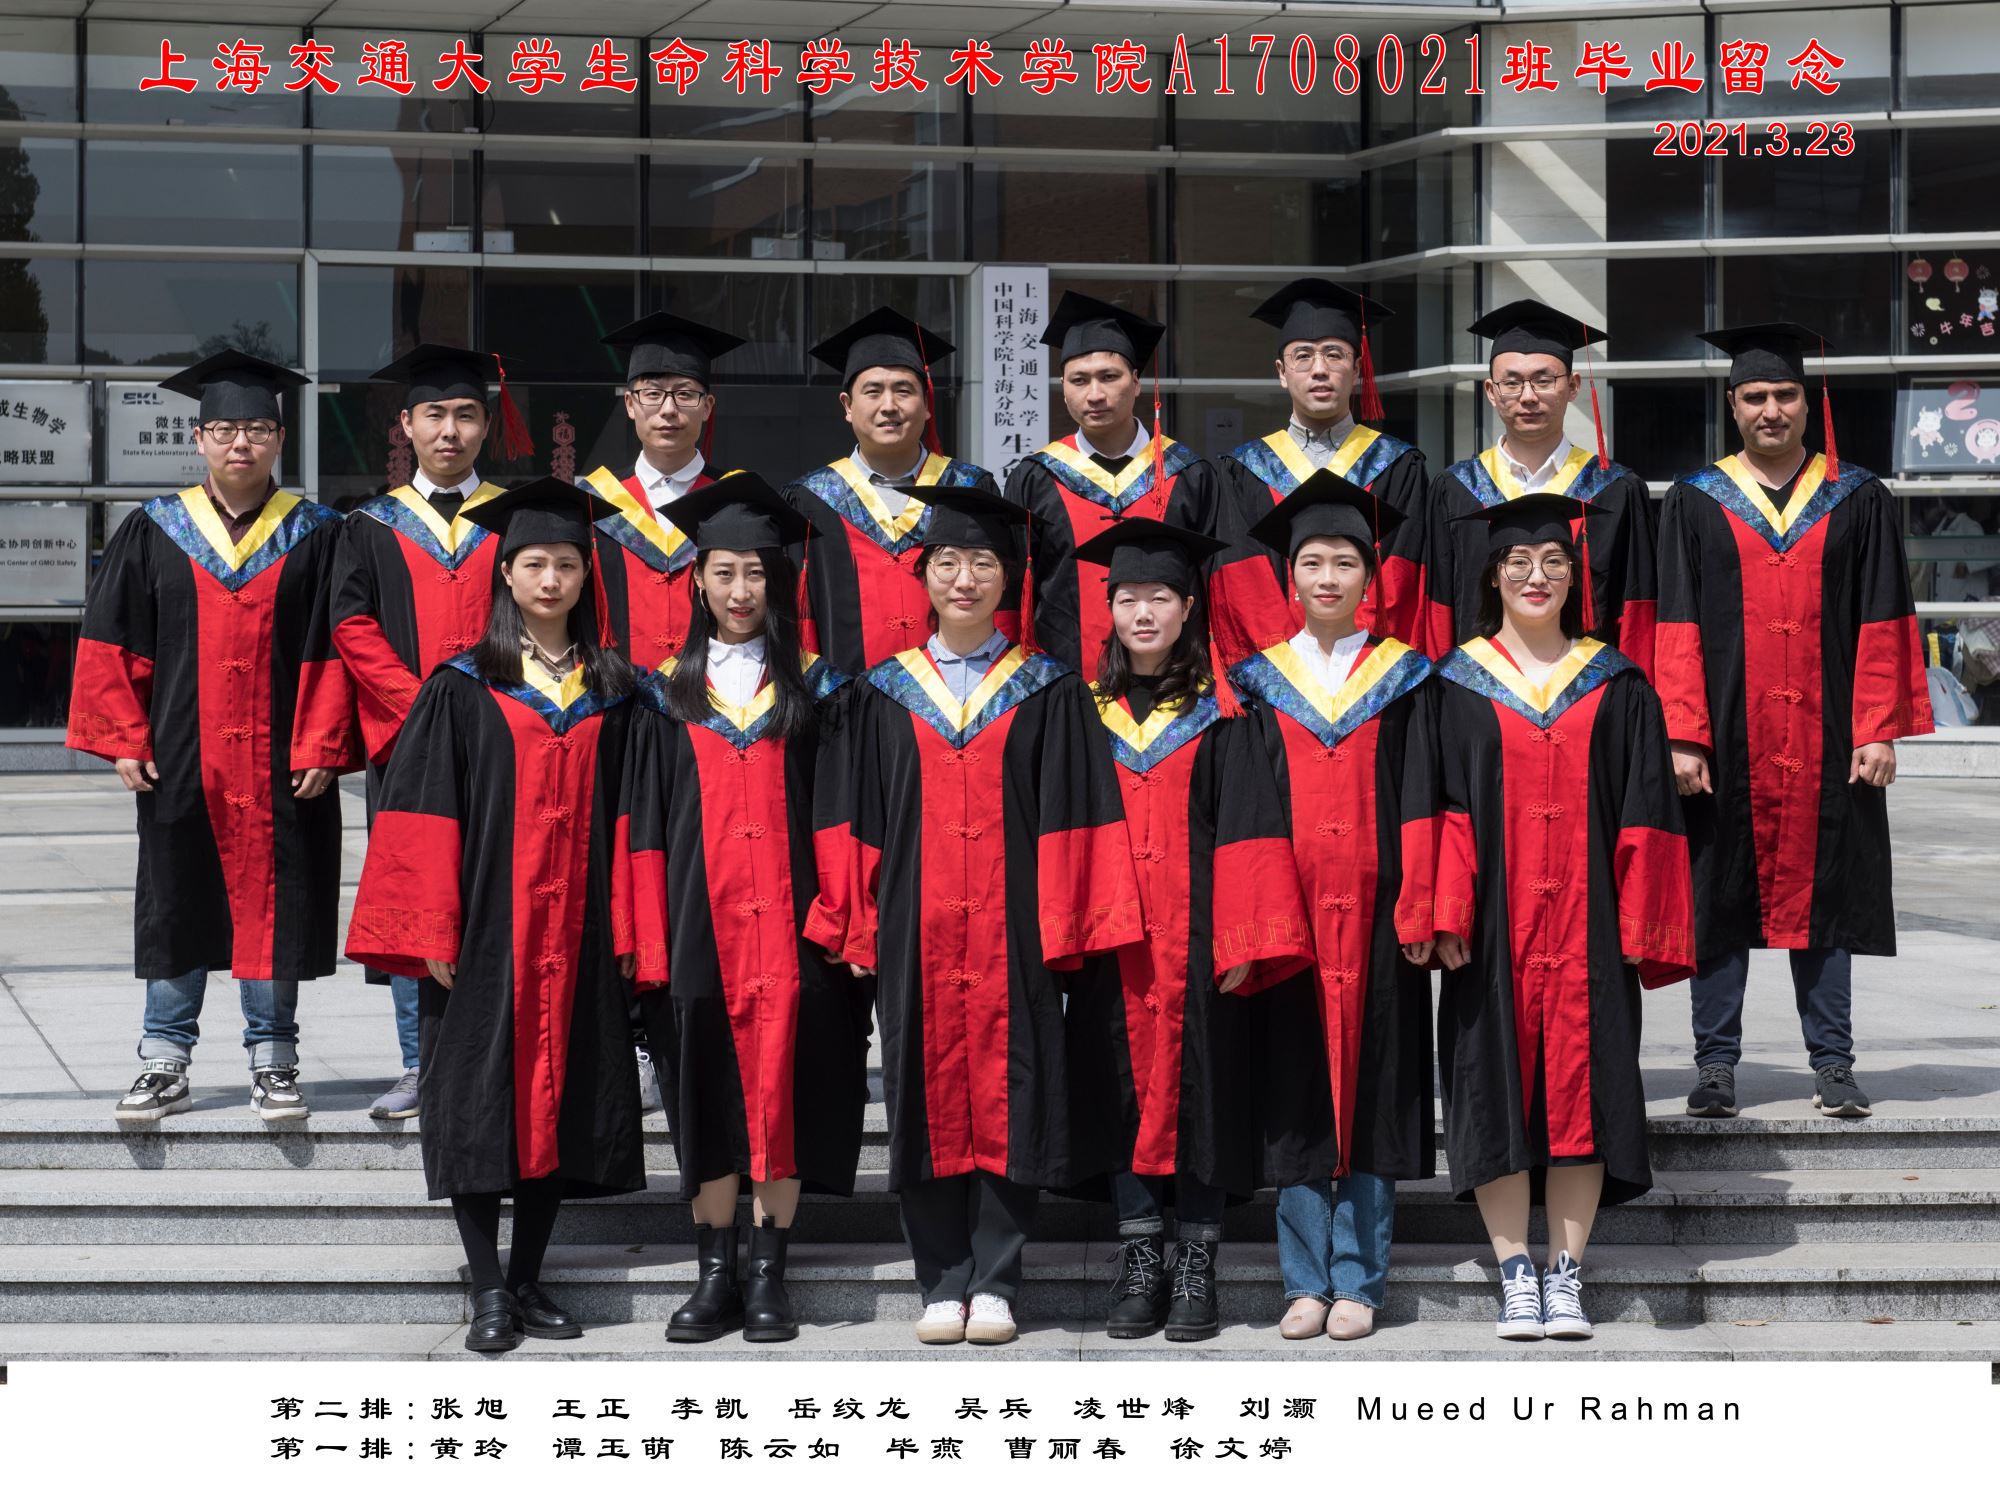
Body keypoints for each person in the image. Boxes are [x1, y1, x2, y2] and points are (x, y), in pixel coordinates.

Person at [814, 487, 1144, 1347]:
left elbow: (1077, 813)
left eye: (984, 563)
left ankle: (995, 1279)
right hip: (914, 928)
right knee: (920, 1089)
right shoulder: (883, 692)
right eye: (949, 562)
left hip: (1014, 931)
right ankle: (940, 1278)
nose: (965, 579)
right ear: (924, 574)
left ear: (1009, 579)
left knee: (1014, 1087)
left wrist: (1070, 929)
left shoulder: (1047, 689)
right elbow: (852, 816)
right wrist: (853, 920)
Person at [346, 476, 645, 1355]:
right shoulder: (461, 685)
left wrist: (632, 928)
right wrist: (428, 928)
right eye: (534, 563)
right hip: (483, 931)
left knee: (562, 1101)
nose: (551, 580)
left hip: (581, 930)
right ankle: (486, 1287)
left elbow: (637, 819)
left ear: (586, 577)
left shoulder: (616, 690)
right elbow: (422, 810)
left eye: (567, 565)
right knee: (476, 1101)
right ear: (505, 573)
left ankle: (527, 1279)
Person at [1422, 496, 1694, 1341]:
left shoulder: (1617, 682)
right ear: (1492, 576)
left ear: (1576, 579)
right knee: (1490, 1090)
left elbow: (1648, 812)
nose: (1535, 576)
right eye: (1518, 563)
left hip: (1590, 928)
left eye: (1553, 563)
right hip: (1490, 930)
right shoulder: (1453, 684)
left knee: (1591, 1090)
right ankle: (1515, 1273)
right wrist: (1444, 910)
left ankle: (1566, 1273)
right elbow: (1439, 808)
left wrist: (1642, 924)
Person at [67, 352, 356, 1124]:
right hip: (179, 756)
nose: (240, 442)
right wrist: (125, 736)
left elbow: (339, 646)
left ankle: (275, 1061)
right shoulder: (154, 529)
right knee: (176, 898)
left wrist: (323, 742)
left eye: (256, 428)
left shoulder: (318, 534)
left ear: (280, 437)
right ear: (198, 438)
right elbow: (113, 639)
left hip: (281, 760)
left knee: (278, 902)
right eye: (225, 429)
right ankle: (164, 1061)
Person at [1656, 324, 1932, 1120]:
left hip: (1830, 734)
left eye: (1784, 395)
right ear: (1732, 405)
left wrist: (1877, 726)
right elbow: (1675, 622)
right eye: (1755, 397)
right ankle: (1715, 1067)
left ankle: (1833, 1063)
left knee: (1829, 897)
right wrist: (1683, 732)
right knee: (1718, 897)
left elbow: (1884, 615)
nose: (1770, 409)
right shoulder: (1695, 500)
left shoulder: (1858, 496)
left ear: (1807, 403)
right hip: (1726, 737)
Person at [615, 473, 867, 1344]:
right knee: (704, 1091)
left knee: (787, 1088)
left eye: (756, 573)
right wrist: (645, 935)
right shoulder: (662, 697)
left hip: (797, 934)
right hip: (697, 930)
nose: (740, 590)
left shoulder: (821, 693)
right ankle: (714, 1271)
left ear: (780, 581)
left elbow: (840, 814)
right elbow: (643, 827)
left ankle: (769, 1272)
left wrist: (844, 918)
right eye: (723, 572)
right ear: (696, 580)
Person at [1063, 517, 1313, 1342]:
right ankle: (1141, 1258)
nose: (1143, 613)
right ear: (1108, 610)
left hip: (1202, 943)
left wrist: (1244, 941)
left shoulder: (1226, 711)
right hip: (1113, 943)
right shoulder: (1082, 712)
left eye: (1160, 597)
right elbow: (1060, 829)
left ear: (1188, 607)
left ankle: (1197, 1261)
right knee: (1119, 1090)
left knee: (1207, 1092)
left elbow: (1249, 826)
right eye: (1128, 599)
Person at [1225, 471, 1439, 1343]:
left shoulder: (1407, 678)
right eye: (1311, 562)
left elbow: (1426, 797)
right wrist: (1253, 925)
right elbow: (1242, 813)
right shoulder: (1255, 684)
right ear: (1289, 577)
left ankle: (1361, 1278)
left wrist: (1425, 907)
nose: (1326, 578)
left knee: (1377, 1087)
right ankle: (1304, 1280)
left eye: (1344, 563)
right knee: (1295, 1089)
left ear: (1370, 578)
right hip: (1292, 919)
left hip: (1381, 916)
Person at [330, 343, 522, 1121]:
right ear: (405, 425)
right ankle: (419, 1063)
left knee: (505, 892)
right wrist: (420, 709)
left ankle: (499, 1057)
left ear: (486, 426)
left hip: (508, 740)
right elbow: (351, 623)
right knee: (416, 899)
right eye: (434, 415)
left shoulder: (515, 520)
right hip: (410, 745)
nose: (450, 430)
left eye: (466, 415)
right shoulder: (369, 525)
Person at [1424, 301, 1658, 675]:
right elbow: (1438, 613)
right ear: (1491, 391)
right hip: (1477, 694)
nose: (1528, 396)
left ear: (1573, 386)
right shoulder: (1455, 491)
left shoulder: (1617, 491)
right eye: (1512, 382)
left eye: (1544, 380)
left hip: (1588, 695)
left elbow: (1637, 616)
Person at [1209, 279, 1431, 662]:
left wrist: (1354, 656)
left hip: (1372, 667)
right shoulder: (1243, 471)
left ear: (1357, 369)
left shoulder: (1398, 466)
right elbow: (1242, 581)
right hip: (1276, 668)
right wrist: (1289, 666)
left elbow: (1401, 578)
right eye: (1303, 356)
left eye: (1334, 355)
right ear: (1282, 372)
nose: (1319, 370)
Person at [1009, 291, 1224, 677]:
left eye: (1109, 377)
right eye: (1079, 380)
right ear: (1063, 388)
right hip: (1062, 681)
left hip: (1172, 685)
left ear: (1136, 382)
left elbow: (1214, 586)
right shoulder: (1036, 478)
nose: (1095, 394)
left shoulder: (1190, 475)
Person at [784, 308, 1002, 676]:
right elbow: (798, 617)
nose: (889, 406)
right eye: (873, 391)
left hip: (960, 697)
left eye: (904, 390)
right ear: (847, 406)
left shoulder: (968, 488)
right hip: (845, 700)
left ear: (927, 404)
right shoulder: (810, 500)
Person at [580, 311, 742, 674]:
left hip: (716, 694)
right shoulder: (593, 501)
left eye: (685, 394)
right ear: (630, 404)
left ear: (707, 407)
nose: (668, 410)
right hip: (616, 692)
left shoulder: (736, 498)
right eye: (652, 394)